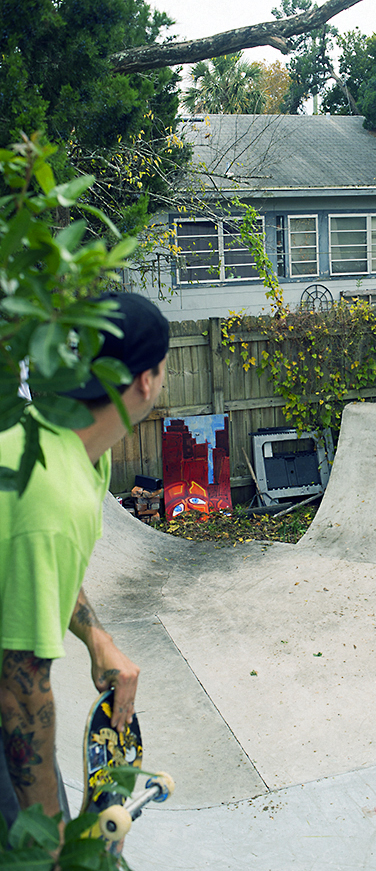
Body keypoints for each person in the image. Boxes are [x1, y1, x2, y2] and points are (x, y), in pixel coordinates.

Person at [0, 292, 170, 830]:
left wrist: (98, 639)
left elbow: (36, 573)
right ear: (146, 381)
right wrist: (49, 840)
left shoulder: (70, 446)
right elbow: (21, 691)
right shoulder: (52, 493)